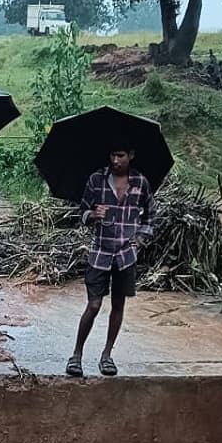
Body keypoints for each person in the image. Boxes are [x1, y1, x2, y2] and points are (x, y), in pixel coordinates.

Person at [66, 142, 156, 378]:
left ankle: (107, 355)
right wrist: (93, 214)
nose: (115, 160)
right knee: (94, 305)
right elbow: (82, 212)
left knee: (118, 305)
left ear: (131, 155)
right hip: (100, 253)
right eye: (112, 155)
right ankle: (76, 354)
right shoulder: (96, 179)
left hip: (126, 256)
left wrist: (141, 238)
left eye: (121, 155)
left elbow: (151, 216)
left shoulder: (141, 183)